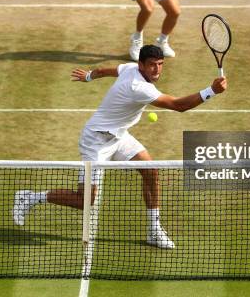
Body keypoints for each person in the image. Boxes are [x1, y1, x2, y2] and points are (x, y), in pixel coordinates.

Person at [13, 45, 227, 249]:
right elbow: (178, 105)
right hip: (96, 141)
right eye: (152, 64)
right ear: (141, 65)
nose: (157, 69)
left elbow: (105, 70)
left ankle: (154, 230)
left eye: (161, 64)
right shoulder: (138, 87)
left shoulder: (130, 68)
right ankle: (30, 197)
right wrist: (212, 91)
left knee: (151, 172)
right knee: (85, 200)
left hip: (119, 137)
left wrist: (89, 75)